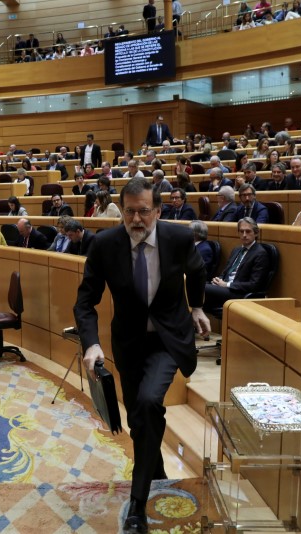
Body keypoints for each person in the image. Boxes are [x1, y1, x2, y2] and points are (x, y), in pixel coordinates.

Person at [74, 177, 210, 534]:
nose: (136, 219)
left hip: (169, 339)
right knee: (139, 419)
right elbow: (85, 300)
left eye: (144, 212)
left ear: (158, 211)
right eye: (130, 212)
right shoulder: (105, 244)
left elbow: (196, 271)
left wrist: (196, 307)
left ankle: (137, 503)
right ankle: (159, 472)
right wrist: (91, 343)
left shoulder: (178, 238)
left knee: (150, 403)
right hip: (130, 343)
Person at [203, 218, 270, 311]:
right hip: (224, 288)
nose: (244, 235)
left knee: (200, 287)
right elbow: (226, 272)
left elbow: (254, 285)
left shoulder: (260, 253)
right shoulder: (236, 250)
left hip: (238, 293)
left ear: (256, 233)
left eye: (248, 231)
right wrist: (218, 280)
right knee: (195, 284)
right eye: (241, 231)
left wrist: (227, 284)